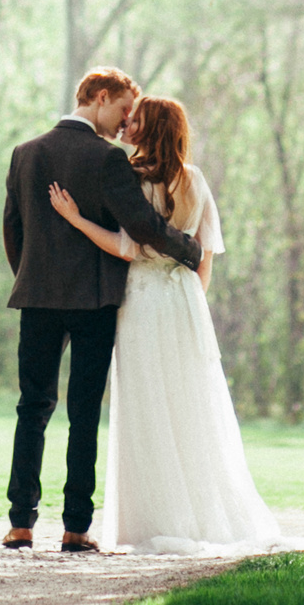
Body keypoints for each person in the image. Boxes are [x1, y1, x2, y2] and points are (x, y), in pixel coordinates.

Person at [47, 95, 280, 553]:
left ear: (150, 128)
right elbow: (205, 255)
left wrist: (76, 219)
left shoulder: (132, 178)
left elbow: (128, 248)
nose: (127, 123)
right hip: (186, 299)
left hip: (144, 297)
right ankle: (205, 515)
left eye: (135, 119)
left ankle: (152, 520)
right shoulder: (195, 179)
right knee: (191, 402)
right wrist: (193, 302)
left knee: (146, 404)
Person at [0, 67, 206, 553]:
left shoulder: (25, 153)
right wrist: (190, 250)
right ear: (99, 96)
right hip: (94, 300)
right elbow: (143, 225)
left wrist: (32, 277)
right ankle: (75, 528)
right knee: (84, 412)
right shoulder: (107, 158)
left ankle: (20, 523)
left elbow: (13, 229)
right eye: (123, 109)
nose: (125, 122)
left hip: (38, 298)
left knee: (32, 407)